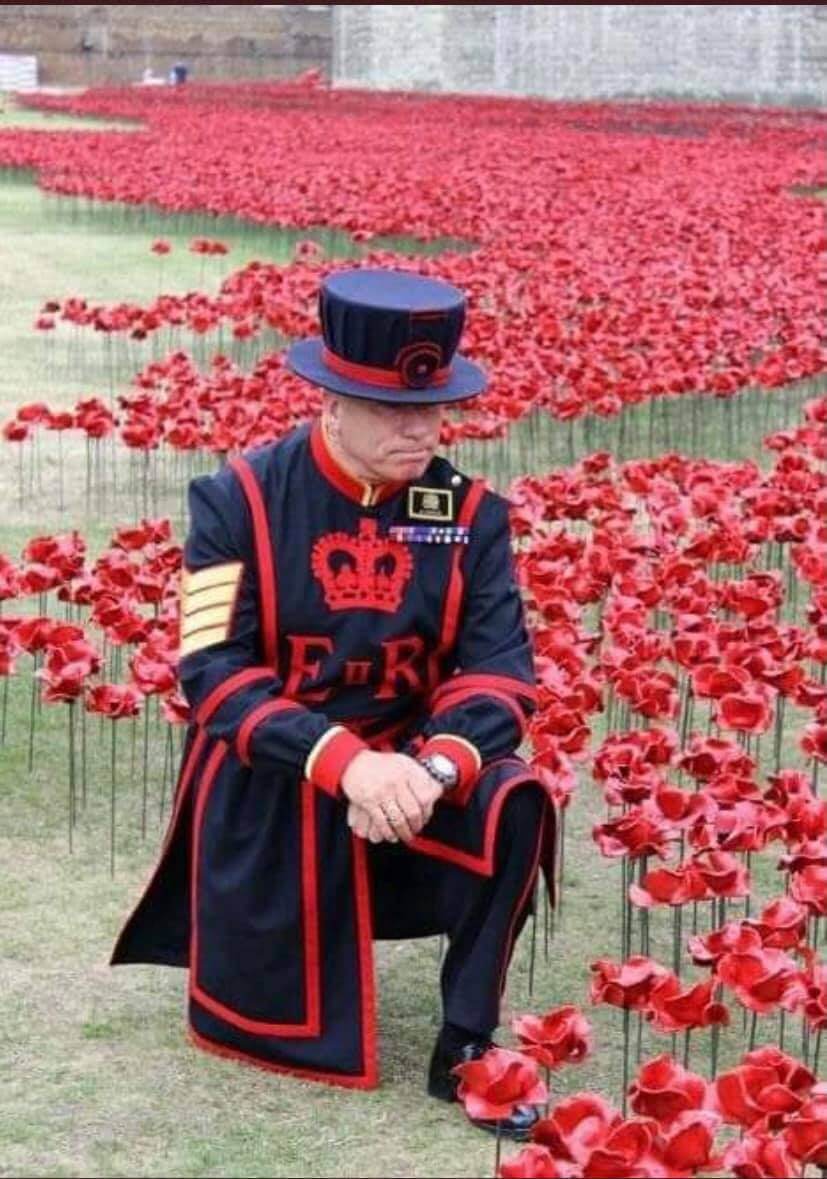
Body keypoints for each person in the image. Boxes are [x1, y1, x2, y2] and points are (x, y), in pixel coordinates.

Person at [111, 268, 555, 1139]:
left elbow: (503, 672)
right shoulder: (234, 498)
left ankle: (466, 1039)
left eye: (432, 408)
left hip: (410, 780)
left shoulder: (467, 515)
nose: (419, 427)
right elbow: (211, 673)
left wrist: (430, 766)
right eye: (391, 409)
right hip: (280, 785)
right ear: (329, 403)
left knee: (513, 796)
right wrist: (345, 762)